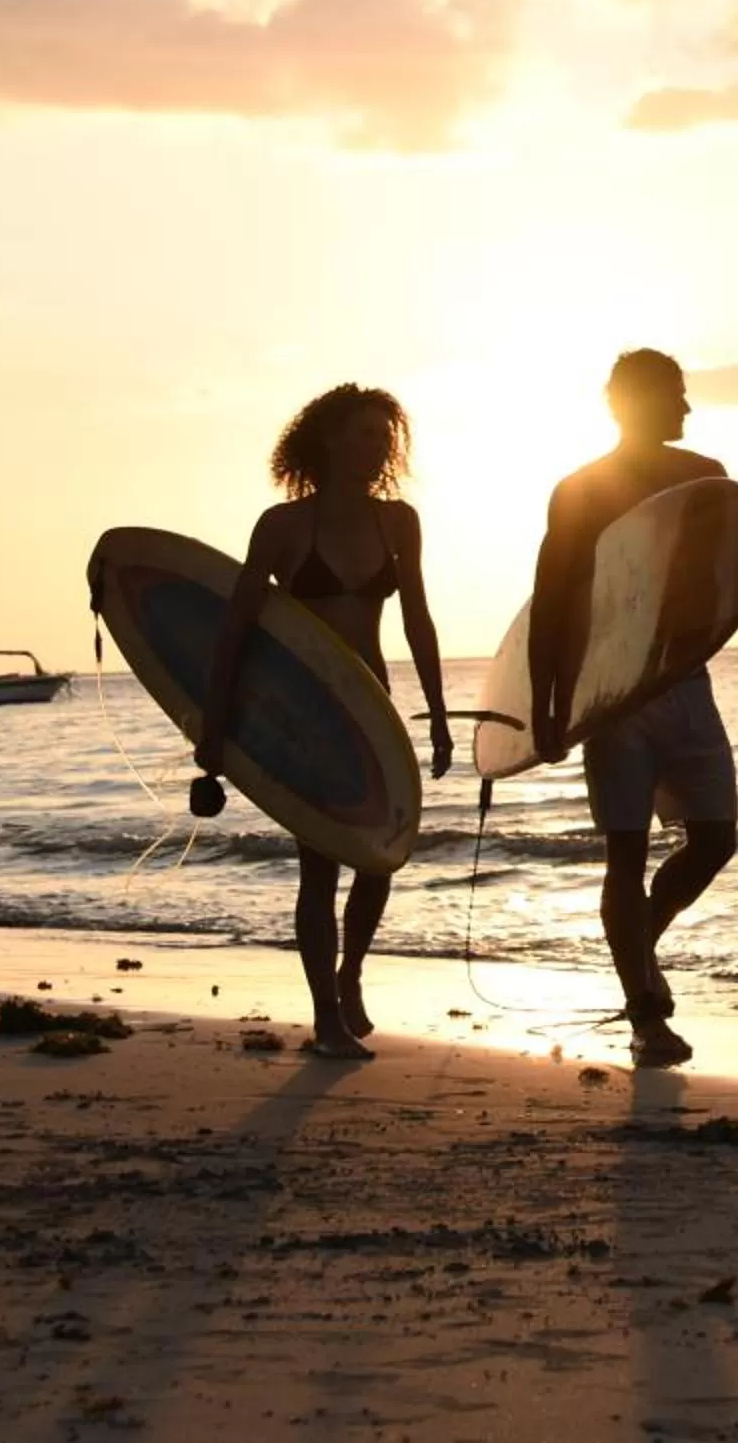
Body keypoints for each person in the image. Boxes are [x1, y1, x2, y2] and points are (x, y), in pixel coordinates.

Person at [530, 348, 738, 1069]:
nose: (687, 408)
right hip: (614, 695)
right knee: (624, 854)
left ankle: (637, 950)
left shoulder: (703, 478)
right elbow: (551, 601)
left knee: (713, 840)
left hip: (687, 682)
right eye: (676, 395)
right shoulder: (580, 490)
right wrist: (547, 708)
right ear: (636, 402)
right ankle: (646, 1016)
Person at [195, 384, 453, 1060]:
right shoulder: (281, 529)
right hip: (307, 718)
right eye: (366, 435)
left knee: (380, 860)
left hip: (373, 708)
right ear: (331, 440)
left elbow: (417, 619)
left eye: (385, 437)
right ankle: (327, 1019)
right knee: (319, 868)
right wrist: (213, 729)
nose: (379, 449)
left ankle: (350, 972)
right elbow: (235, 632)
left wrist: (439, 715)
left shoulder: (398, 522)